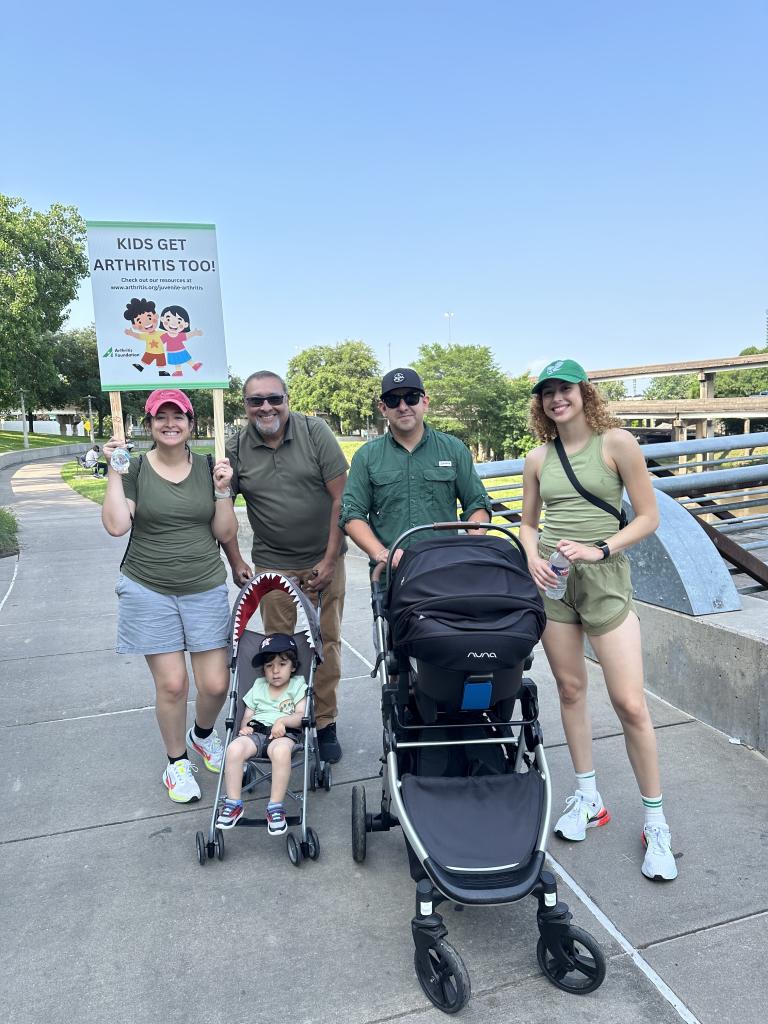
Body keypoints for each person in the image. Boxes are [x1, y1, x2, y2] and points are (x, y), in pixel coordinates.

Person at [519, 358, 677, 882]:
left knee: (631, 703)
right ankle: (589, 797)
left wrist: (600, 548)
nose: (556, 399)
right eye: (547, 393)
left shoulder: (618, 444)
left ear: (584, 394)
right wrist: (531, 556)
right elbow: (526, 522)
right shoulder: (537, 457)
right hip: (555, 585)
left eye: (564, 390)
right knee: (568, 689)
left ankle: (655, 822)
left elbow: (650, 517)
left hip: (605, 578)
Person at [101, 388, 238, 803]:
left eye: (178, 416)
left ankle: (201, 735)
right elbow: (116, 526)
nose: (170, 423)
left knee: (215, 684)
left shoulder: (212, 467)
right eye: (160, 417)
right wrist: (113, 470)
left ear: (192, 424)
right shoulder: (136, 470)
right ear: (148, 425)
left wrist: (221, 491)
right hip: (149, 588)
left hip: (204, 586)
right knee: (174, 685)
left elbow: (226, 533)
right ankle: (176, 762)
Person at [221, 371, 348, 764]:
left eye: (273, 398)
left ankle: (324, 722)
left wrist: (329, 560)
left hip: (322, 557)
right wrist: (237, 560)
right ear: (245, 407)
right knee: (279, 651)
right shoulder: (237, 447)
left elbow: (342, 498)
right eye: (255, 401)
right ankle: (280, 726)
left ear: (287, 399)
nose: (265, 407)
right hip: (273, 563)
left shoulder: (315, 433)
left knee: (324, 644)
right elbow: (221, 507)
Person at [339, 367, 492, 571]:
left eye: (411, 398)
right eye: (393, 400)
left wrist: (473, 540)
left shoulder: (454, 449)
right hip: (390, 575)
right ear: (383, 408)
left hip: (446, 569)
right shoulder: (366, 456)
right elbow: (351, 514)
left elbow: (476, 503)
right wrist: (383, 553)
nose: (403, 407)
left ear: (425, 402)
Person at [216, 634, 307, 835]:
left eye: (282, 664)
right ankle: (233, 803)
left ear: (292, 666)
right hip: (256, 734)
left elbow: (301, 715)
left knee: (281, 752)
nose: (275, 671)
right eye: (269, 666)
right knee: (233, 748)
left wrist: (282, 721)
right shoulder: (258, 687)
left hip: (284, 735)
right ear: (263, 669)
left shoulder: (298, 685)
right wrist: (245, 726)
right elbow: (248, 714)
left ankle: (275, 807)